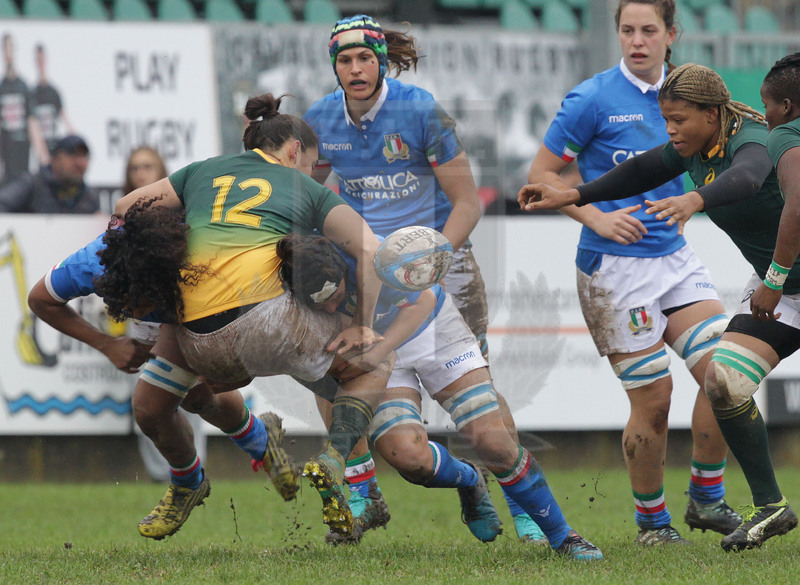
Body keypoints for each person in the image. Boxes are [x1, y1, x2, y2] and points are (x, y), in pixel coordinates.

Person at [519, 61, 799, 551]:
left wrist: (695, 201)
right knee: (723, 379)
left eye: (679, 121)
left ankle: (706, 497)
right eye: (665, 120)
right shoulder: (695, 147)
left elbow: (750, 178)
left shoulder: (754, 138)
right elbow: (642, 168)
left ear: (713, 114)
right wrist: (574, 193)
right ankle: (770, 506)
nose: (670, 131)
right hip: (786, 294)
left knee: (713, 379)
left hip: (776, 284)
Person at [303, 13, 547, 545]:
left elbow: (466, 203)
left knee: (478, 389)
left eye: (365, 57)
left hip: (442, 264)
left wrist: (433, 260)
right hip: (364, 274)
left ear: (381, 61)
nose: (355, 68)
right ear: (335, 68)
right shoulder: (320, 119)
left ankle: (518, 496)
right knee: (337, 369)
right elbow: (306, 197)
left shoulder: (419, 110)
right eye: (344, 60)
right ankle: (366, 492)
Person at [113, 93, 391, 539]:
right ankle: (337, 462)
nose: (310, 174)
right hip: (269, 326)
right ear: (295, 151)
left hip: (195, 336)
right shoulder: (305, 187)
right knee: (375, 358)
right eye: (310, 164)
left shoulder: (201, 171)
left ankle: (213, 462)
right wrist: (364, 324)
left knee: (162, 402)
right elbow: (370, 248)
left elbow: (126, 207)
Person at [523, 0, 739, 546]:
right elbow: (541, 176)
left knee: (728, 378)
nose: (636, 41)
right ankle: (652, 525)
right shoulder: (592, 98)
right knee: (655, 402)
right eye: (627, 30)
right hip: (614, 271)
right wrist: (598, 215)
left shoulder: (696, 96)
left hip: (676, 259)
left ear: (671, 35)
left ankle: (707, 500)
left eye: (648, 30)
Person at [279, 233, 604, 560]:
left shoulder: (368, 258)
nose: (332, 307)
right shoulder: (283, 297)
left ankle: (565, 538)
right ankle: (469, 479)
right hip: (375, 355)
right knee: (407, 457)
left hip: (432, 332)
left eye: (334, 296)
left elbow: (423, 302)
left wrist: (378, 351)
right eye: (320, 304)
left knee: (492, 442)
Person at [28, 198, 297, 540]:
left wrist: (236, 363)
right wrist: (107, 343)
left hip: (200, 308)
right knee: (196, 396)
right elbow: (40, 299)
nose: (129, 309)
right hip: (175, 299)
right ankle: (261, 441)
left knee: (150, 407)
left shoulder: (203, 264)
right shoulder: (95, 263)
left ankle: (187, 483)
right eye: (122, 301)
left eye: (139, 304)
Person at [120, 145, 208, 484]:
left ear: (161, 171)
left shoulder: (183, 212)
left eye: (147, 166)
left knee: (195, 395)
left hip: (179, 316)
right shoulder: (121, 216)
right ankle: (163, 474)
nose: (140, 173)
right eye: (134, 167)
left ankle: (194, 469)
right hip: (141, 314)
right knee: (145, 398)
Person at [0, 134, 99, 213]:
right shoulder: (32, 185)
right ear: (55, 159)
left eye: (85, 156)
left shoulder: (88, 196)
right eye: (73, 155)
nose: (80, 163)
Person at [0, 33, 44, 185]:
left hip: (22, 152)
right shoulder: (2, 87)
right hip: (6, 156)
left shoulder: (23, 87)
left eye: (11, 48)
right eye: (5, 48)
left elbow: (32, 122)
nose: (9, 52)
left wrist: (42, 157)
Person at [31, 43, 74, 165]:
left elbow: (64, 117)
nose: (40, 63)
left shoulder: (54, 92)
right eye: (38, 59)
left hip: (55, 148)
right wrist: (40, 150)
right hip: (40, 151)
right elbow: (32, 125)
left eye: (42, 59)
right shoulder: (32, 93)